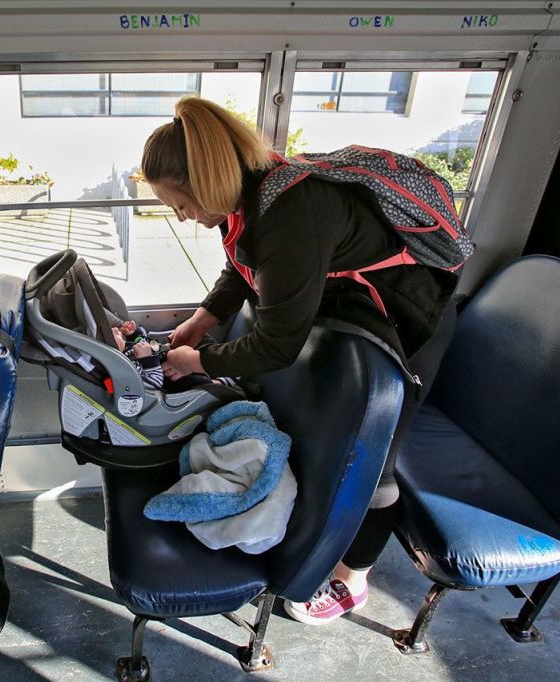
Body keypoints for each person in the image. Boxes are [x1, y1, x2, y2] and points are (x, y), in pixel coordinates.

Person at [139, 96, 457, 624]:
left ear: (208, 182)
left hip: (409, 312)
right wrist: (200, 323)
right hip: (347, 294)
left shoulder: (291, 210)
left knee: (375, 463)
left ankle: (354, 577)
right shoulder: (245, 194)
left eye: (181, 204)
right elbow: (245, 265)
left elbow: (275, 347)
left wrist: (197, 361)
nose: (184, 217)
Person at [111, 319, 239, 391]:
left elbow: (145, 344)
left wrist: (135, 334)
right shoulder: (128, 366)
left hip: (164, 354)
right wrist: (147, 361)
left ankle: (219, 361)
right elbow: (153, 385)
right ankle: (221, 383)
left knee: (199, 339)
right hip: (169, 379)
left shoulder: (125, 348)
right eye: (114, 335)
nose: (116, 330)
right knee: (195, 382)